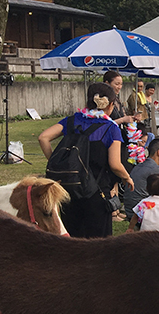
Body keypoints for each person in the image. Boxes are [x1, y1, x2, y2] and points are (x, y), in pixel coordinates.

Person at [38, 81, 135, 238]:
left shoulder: (71, 121)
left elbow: (43, 137)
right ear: (110, 105)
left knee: (73, 237)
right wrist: (127, 177)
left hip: (69, 189)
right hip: (96, 191)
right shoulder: (110, 128)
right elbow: (115, 164)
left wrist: (57, 161)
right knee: (98, 242)